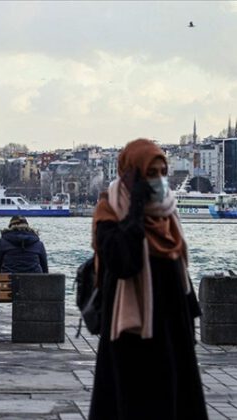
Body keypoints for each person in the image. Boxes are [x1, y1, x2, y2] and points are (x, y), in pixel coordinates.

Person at [89, 138, 207, 419]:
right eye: (151, 174)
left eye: (162, 173)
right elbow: (123, 263)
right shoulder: (110, 211)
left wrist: (190, 323)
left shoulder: (168, 215)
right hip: (131, 338)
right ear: (132, 175)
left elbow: (180, 274)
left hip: (173, 333)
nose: (159, 182)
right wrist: (136, 211)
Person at [0, 216, 48, 338]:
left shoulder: (3, 242)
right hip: (33, 288)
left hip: (8, 287)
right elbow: (45, 270)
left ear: (10, 227)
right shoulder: (38, 243)